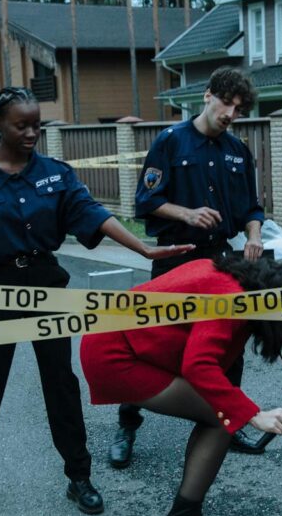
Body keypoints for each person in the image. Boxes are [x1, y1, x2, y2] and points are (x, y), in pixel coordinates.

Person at [0, 87, 191, 516]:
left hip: (47, 286)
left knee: (61, 384)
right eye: (22, 125)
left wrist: (143, 250)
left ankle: (79, 476)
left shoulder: (56, 173)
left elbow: (93, 214)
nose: (33, 132)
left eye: (37, 124)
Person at [80, 256, 282, 516]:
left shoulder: (232, 276)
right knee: (223, 420)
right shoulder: (230, 297)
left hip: (124, 341)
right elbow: (198, 365)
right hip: (115, 354)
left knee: (219, 416)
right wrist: (252, 414)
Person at [111, 66, 266, 468]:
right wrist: (187, 213)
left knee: (230, 342)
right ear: (208, 96)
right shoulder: (170, 142)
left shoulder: (237, 150)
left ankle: (232, 420)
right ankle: (127, 423)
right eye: (226, 103)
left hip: (221, 258)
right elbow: (145, 201)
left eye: (239, 108)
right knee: (148, 339)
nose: (231, 113)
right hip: (174, 257)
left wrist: (253, 235)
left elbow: (252, 208)